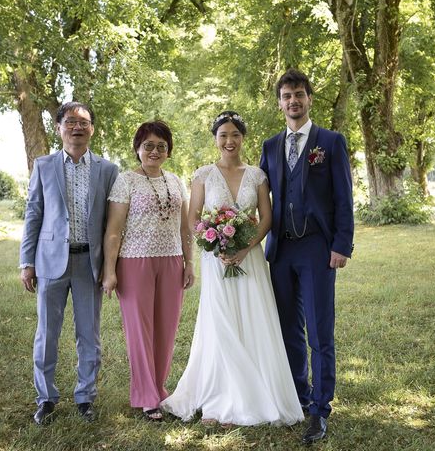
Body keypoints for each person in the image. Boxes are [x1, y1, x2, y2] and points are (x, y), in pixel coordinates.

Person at [161, 111, 303, 427]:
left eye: (235, 135)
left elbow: (266, 217)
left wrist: (244, 247)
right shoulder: (202, 175)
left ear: (243, 138)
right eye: (223, 135)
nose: (229, 141)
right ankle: (217, 398)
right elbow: (194, 217)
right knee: (220, 321)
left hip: (249, 257)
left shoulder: (257, 175)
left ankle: (251, 396)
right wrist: (217, 245)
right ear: (216, 138)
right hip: (217, 259)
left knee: (253, 318)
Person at [259, 69, 354, 444]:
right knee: (287, 330)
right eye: (286, 95)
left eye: (299, 94)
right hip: (281, 251)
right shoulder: (269, 146)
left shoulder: (330, 142)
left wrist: (341, 245)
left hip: (317, 248)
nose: (293, 101)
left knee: (319, 331)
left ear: (309, 99)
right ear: (279, 102)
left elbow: (344, 198)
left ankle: (320, 409)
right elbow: (258, 197)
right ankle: (298, 396)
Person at [19, 102, 119, 425]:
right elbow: (34, 213)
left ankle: (85, 397)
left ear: (91, 129)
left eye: (84, 122)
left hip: (90, 262)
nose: (77, 127)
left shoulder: (107, 170)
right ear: (60, 127)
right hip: (50, 263)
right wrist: (27, 262)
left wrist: (110, 267)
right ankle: (45, 398)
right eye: (71, 122)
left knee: (89, 335)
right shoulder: (44, 166)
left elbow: (112, 225)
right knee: (47, 333)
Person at [101, 121, 194, 422]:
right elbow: (113, 231)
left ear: (168, 150)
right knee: (140, 332)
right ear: (138, 148)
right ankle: (145, 396)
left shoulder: (177, 181)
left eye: (161, 146)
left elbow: (185, 227)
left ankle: (158, 387)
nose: (154, 151)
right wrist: (110, 271)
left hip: (171, 260)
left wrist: (189, 262)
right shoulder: (125, 181)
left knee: (166, 329)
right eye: (148, 145)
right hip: (134, 261)